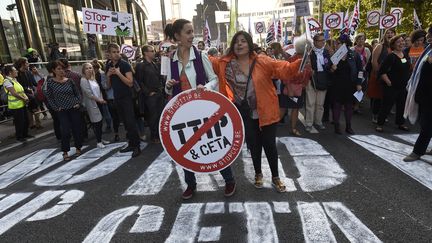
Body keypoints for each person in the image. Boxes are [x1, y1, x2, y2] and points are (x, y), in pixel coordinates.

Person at [214, 30, 302, 193]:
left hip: (266, 111)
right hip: (244, 113)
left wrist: (302, 59)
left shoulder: (262, 60)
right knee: (253, 145)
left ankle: (276, 177)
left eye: (243, 41)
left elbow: (284, 69)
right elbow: (207, 64)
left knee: (270, 145)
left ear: (249, 44)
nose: (239, 44)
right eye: (236, 41)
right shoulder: (225, 63)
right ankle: (258, 174)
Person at [164, 19, 236, 199]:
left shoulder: (201, 55)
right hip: (182, 113)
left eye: (191, 32)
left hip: (204, 109)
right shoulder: (168, 60)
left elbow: (214, 79)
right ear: (177, 36)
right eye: (188, 32)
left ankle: (229, 180)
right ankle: (190, 184)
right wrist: (169, 85)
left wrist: (206, 87)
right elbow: (166, 86)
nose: (192, 36)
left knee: (213, 144)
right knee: (185, 148)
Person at [105, 43, 141, 157]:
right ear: (109, 54)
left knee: (131, 122)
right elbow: (108, 86)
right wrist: (108, 75)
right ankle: (131, 144)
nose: (116, 54)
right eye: (114, 52)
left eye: (117, 52)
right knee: (125, 123)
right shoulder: (108, 65)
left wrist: (118, 73)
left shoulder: (124, 64)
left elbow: (130, 83)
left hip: (127, 97)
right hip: (117, 97)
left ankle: (136, 146)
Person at [45, 60, 82, 161]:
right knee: (65, 130)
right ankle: (65, 151)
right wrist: (56, 107)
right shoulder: (50, 82)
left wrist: (78, 102)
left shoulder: (69, 81)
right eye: (59, 69)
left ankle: (78, 147)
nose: (62, 71)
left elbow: (77, 93)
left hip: (74, 108)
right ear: (53, 70)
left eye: (62, 68)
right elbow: (49, 97)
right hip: (62, 110)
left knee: (77, 129)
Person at [403, 34, 432, 161]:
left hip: (429, 96)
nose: (427, 36)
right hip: (424, 94)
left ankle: (417, 151)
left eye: (430, 34)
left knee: (426, 124)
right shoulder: (429, 49)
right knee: (426, 123)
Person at [375, 35, 411, 133]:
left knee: (401, 106)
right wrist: (389, 82)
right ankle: (380, 124)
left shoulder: (404, 55)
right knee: (386, 106)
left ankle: (400, 123)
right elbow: (382, 71)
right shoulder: (391, 56)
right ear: (393, 44)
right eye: (398, 42)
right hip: (391, 87)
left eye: (402, 41)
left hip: (403, 87)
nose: (401, 43)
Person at [330, 35, 363, 134]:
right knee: (337, 105)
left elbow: (360, 70)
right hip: (337, 84)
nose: (336, 45)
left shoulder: (354, 55)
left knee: (349, 106)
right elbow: (329, 70)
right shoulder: (335, 55)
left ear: (345, 44)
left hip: (350, 84)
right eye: (336, 43)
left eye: (338, 43)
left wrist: (359, 83)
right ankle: (337, 126)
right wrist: (332, 69)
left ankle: (348, 126)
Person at [281, 35, 311, 136]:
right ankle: (269, 127)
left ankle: (293, 128)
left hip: (299, 89)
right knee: (282, 109)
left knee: (295, 109)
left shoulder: (306, 59)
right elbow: (286, 76)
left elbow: (307, 74)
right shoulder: (292, 59)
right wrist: (289, 88)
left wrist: (304, 83)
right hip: (291, 88)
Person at [135, 45, 165, 143]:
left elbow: (159, 77)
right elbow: (139, 81)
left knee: (160, 115)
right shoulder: (141, 65)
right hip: (150, 96)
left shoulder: (154, 64)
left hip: (159, 93)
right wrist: (148, 93)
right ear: (145, 53)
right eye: (151, 51)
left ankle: (159, 134)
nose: (153, 52)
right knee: (153, 116)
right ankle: (154, 136)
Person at [305, 32, 332, 132]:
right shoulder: (309, 52)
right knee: (310, 103)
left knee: (320, 104)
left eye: (323, 41)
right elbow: (304, 66)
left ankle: (318, 121)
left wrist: (331, 67)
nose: (322, 43)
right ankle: (309, 123)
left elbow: (328, 65)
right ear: (315, 42)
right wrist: (309, 69)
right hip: (311, 79)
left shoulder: (326, 52)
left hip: (323, 79)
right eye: (320, 41)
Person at [368, 28, 396, 123]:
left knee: (387, 97)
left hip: (390, 76)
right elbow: (374, 61)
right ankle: (375, 115)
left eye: (392, 32)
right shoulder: (380, 46)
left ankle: (383, 115)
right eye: (387, 33)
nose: (390, 34)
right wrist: (378, 73)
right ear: (384, 35)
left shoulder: (395, 48)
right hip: (378, 75)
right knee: (378, 96)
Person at [80, 63, 109, 148]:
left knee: (100, 122)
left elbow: (99, 90)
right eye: (87, 68)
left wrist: (101, 99)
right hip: (92, 104)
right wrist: (99, 100)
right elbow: (89, 94)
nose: (89, 70)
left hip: (99, 103)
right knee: (96, 123)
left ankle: (100, 138)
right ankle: (99, 142)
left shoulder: (93, 79)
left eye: (90, 68)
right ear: (83, 71)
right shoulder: (83, 80)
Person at [2, 65, 31, 142]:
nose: (17, 71)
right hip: (16, 106)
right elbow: (14, 93)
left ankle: (25, 134)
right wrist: (24, 98)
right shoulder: (7, 81)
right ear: (10, 72)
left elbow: (21, 91)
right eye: (15, 70)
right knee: (19, 122)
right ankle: (19, 136)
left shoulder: (15, 79)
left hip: (22, 103)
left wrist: (25, 97)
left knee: (25, 120)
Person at [14, 57, 42, 129]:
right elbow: (18, 86)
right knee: (30, 109)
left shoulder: (29, 72)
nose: (28, 64)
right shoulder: (17, 74)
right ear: (22, 64)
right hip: (24, 94)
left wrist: (39, 75)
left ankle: (38, 124)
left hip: (31, 93)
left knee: (35, 107)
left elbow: (34, 83)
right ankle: (31, 124)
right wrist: (28, 90)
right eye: (26, 63)